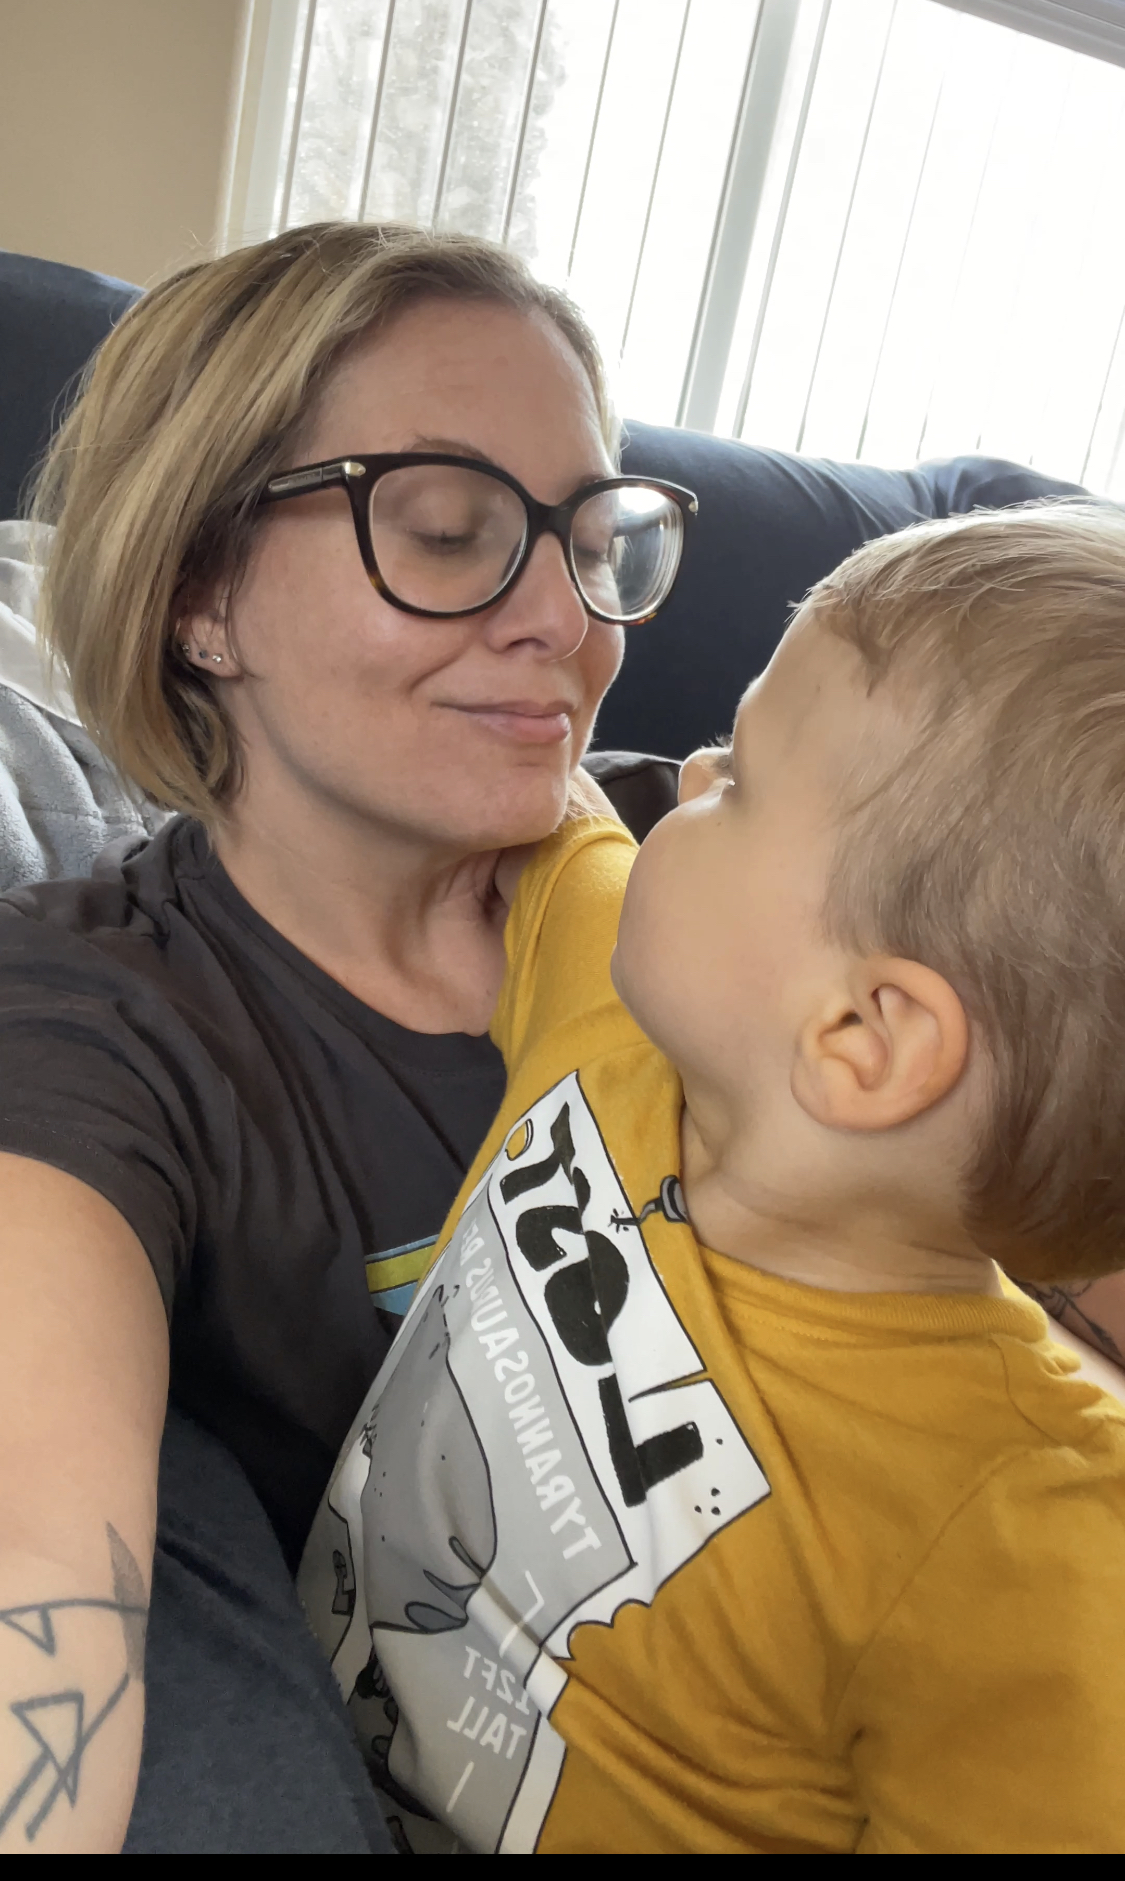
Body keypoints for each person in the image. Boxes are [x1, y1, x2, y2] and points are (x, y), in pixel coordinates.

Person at [0, 221, 687, 1853]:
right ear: (201, 597)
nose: (565, 618)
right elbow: (45, 1553)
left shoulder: (715, 873)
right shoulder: (99, 1013)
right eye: (448, 532)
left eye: (596, 542)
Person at [305, 503, 1125, 1854]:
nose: (682, 771)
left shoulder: (1025, 1538)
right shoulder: (611, 1015)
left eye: (737, 779)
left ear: (861, 1037)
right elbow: (567, 827)